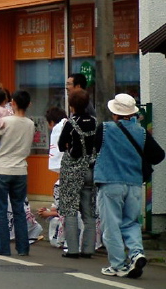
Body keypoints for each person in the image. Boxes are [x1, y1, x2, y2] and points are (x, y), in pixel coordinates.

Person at [93, 93, 164, 278]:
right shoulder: (141, 132)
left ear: (114, 112)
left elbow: (94, 148)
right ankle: (136, 253)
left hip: (110, 183)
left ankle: (118, 265)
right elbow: (158, 155)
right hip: (133, 183)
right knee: (131, 223)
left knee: (111, 226)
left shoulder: (105, 129)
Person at [0, 90, 34, 256]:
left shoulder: (5, 121)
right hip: (21, 169)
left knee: (1, 209)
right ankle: (23, 247)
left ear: (12, 103)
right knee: (19, 208)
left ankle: (2, 247)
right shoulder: (30, 123)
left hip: (1, 168)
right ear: (28, 104)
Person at [58, 89, 97, 259]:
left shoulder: (71, 123)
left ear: (71, 105)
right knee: (89, 211)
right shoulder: (95, 122)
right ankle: (88, 249)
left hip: (73, 170)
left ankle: (72, 249)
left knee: (70, 210)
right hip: (90, 169)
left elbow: (61, 145)